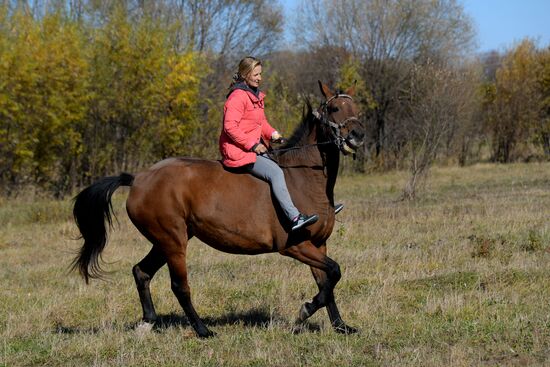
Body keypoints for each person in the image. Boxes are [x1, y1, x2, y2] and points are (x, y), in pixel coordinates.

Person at [219, 56, 319, 231]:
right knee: (276, 173)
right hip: (239, 151)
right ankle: (294, 218)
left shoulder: (255, 95)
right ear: (244, 74)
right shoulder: (237, 97)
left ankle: (307, 210)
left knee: (288, 166)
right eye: (256, 74)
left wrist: (273, 134)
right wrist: (252, 144)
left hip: (254, 149)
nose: (259, 78)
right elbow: (230, 127)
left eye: (260, 74)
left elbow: (261, 123)